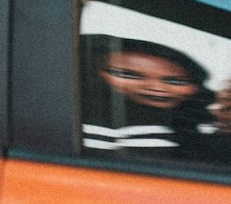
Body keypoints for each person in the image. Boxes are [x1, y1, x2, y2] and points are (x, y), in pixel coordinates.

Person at [81, 34, 217, 159]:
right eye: (128, 75)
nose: (156, 88)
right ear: (92, 73)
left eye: (175, 81)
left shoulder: (195, 131)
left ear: (195, 87)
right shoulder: (86, 126)